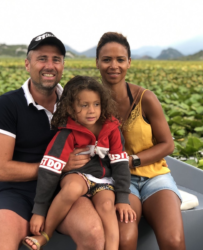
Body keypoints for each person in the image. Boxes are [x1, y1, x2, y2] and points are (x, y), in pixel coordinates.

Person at [0, 32, 105, 250]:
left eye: (56, 59)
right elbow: (1, 170)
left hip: (62, 191)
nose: (49, 65)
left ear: (62, 66)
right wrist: (59, 165)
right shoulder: (8, 104)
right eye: (42, 59)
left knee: (94, 236)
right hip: (16, 192)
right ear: (27, 64)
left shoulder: (76, 103)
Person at [23, 76, 136, 250]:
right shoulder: (67, 133)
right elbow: (49, 170)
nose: (91, 110)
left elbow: (120, 164)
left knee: (107, 206)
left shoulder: (112, 129)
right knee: (73, 189)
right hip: (77, 176)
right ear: (70, 107)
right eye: (84, 105)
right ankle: (46, 234)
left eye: (96, 104)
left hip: (103, 179)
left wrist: (122, 198)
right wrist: (39, 210)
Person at [96, 32, 185, 250]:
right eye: (107, 59)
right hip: (119, 181)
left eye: (120, 59)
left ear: (129, 62)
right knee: (125, 239)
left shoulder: (146, 98)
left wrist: (132, 160)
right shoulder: (90, 101)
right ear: (97, 62)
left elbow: (167, 144)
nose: (113, 65)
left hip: (154, 177)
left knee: (173, 241)